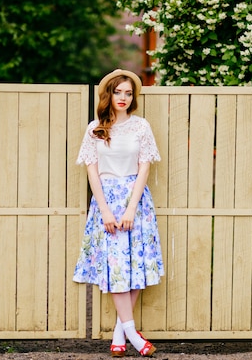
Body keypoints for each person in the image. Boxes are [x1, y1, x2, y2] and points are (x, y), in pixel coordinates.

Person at [73, 69, 165, 357]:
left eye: (128, 93)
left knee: (135, 264)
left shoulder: (141, 127)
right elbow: (92, 172)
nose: (123, 97)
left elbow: (144, 169)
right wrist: (105, 210)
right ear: (108, 95)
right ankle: (134, 336)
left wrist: (131, 209)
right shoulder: (94, 129)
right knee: (116, 266)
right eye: (117, 92)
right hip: (106, 200)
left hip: (136, 201)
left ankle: (119, 333)